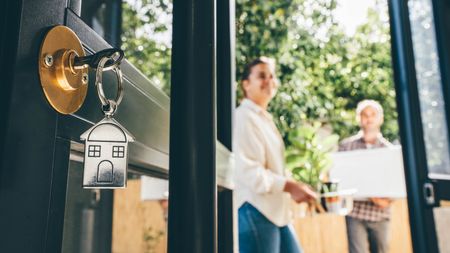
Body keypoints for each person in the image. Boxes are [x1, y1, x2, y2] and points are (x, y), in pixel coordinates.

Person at [233, 57, 317, 253]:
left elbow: (271, 168)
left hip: (275, 213)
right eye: (261, 76)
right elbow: (248, 171)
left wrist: (296, 186)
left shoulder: (263, 118)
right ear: (246, 84)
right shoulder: (243, 117)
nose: (269, 80)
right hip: (254, 210)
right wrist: (288, 186)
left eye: (271, 76)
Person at [339, 100, 393, 253]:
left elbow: (394, 180)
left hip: (381, 214)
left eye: (373, 115)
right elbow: (340, 177)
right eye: (365, 115)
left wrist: (386, 200)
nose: (369, 119)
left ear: (380, 119)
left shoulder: (388, 150)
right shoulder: (346, 147)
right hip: (355, 213)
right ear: (359, 118)